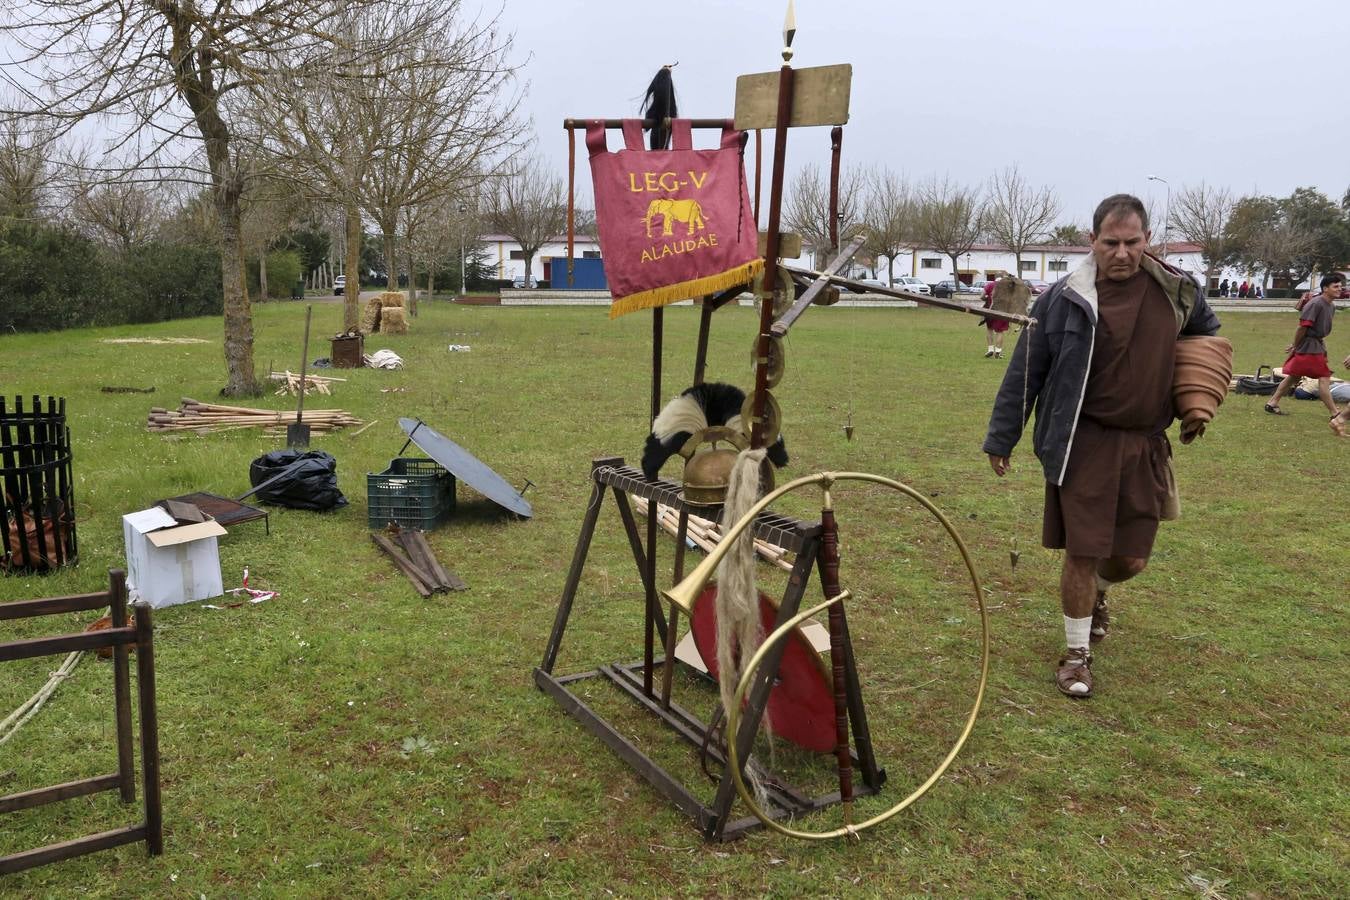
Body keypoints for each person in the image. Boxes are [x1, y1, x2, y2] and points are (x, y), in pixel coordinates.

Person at [983, 194, 1220, 699]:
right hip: (1082, 441)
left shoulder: (1178, 292)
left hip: (1145, 445)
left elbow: (1206, 339)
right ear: (1092, 242)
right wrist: (1002, 437)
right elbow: (1027, 369)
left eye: (1131, 242)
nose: (1121, 253)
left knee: (1130, 560)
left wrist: (1200, 397)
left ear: (1147, 240)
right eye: (1110, 243)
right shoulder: (1065, 297)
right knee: (1084, 552)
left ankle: (1100, 598)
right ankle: (1076, 655)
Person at [1263, 273, 1343, 428]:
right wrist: (1295, 345)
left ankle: (1272, 403)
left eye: (1340, 286)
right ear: (1325, 288)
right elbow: (1302, 327)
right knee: (1324, 377)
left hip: (1316, 345)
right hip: (1309, 347)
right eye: (1335, 286)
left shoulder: (1331, 306)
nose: (1340, 289)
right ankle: (1335, 413)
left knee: (1294, 376)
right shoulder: (1316, 304)